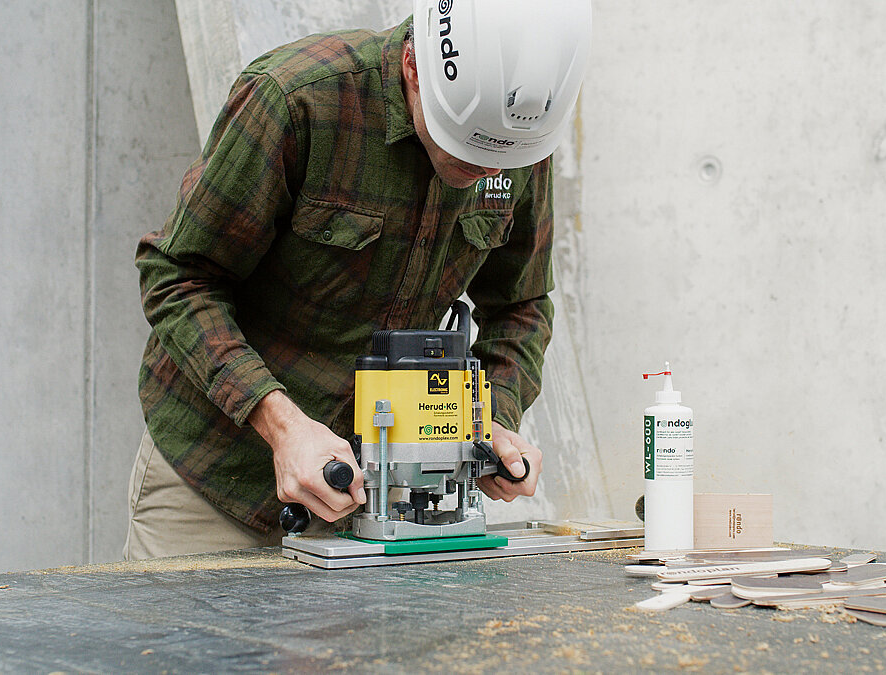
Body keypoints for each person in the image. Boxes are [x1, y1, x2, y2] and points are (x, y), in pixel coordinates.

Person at [124, 0, 591, 560]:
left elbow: (522, 304)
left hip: (371, 505)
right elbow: (178, 276)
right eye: (466, 145)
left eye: (504, 158)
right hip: (215, 478)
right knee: (186, 647)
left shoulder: (515, 134)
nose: (489, 171)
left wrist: (488, 423)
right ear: (416, 65)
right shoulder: (297, 99)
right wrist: (282, 426)